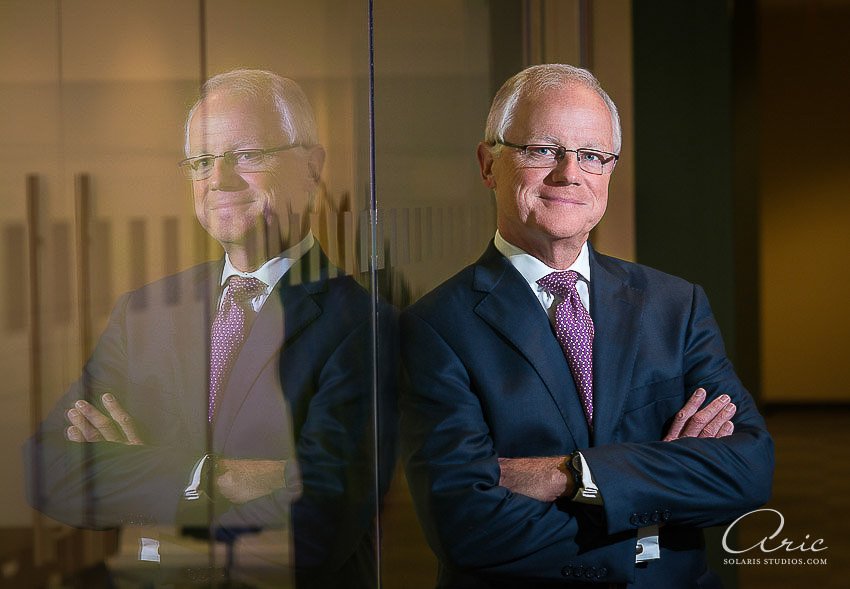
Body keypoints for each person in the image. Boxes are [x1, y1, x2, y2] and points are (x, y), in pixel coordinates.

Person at [400, 64, 774, 588]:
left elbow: (748, 469)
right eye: (542, 150)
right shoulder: (434, 328)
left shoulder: (676, 305)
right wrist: (655, 495)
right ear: (488, 164)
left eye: (593, 156)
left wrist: (571, 477)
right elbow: (465, 525)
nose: (569, 173)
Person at [24, 69, 396, 588]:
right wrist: (212, 475)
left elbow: (314, 533)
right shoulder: (145, 313)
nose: (219, 179)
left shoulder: (367, 327)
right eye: (202, 161)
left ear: (312, 168)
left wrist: (149, 521)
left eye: (247, 154)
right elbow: (49, 469)